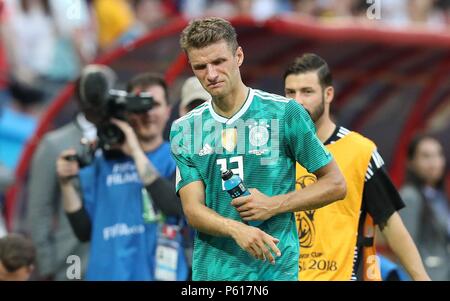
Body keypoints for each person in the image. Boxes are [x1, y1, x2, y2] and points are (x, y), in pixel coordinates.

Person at [170, 17, 346, 281]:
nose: (212, 74)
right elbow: (193, 210)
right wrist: (236, 229)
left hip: (273, 273)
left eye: (219, 62)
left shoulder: (284, 114)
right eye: (200, 67)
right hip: (212, 275)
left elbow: (335, 183)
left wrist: (273, 205)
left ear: (238, 56)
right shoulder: (185, 129)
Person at [281, 53, 429, 281]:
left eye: (307, 92)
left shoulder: (360, 151)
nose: (297, 101)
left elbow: (390, 223)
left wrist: (422, 278)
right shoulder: (272, 152)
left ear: (328, 94)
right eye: (291, 92)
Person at [57, 72, 187, 281]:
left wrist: (135, 151)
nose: (148, 113)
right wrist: (65, 184)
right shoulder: (101, 161)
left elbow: (174, 206)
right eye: (140, 107)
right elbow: (83, 231)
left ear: (167, 111)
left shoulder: (177, 157)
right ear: (128, 111)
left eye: (154, 105)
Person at [26, 64, 112, 281]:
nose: (96, 95)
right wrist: (47, 265)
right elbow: (39, 209)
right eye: (90, 88)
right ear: (76, 95)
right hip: (72, 259)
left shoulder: (125, 138)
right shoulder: (54, 144)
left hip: (119, 255)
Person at [399, 134, 449, 281]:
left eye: (438, 155)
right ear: (411, 162)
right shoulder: (410, 196)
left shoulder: (438, 196)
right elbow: (406, 249)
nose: (434, 162)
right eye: (426, 156)